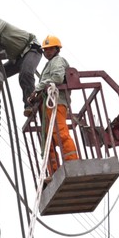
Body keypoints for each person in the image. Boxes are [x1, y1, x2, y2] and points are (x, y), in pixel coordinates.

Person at [35, 34, 79, 176]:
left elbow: (57, 78)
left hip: (57, 102)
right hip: (49, 105)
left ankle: (72, 162)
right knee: (49, 139)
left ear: (56, 49)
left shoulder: (58, 61)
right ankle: (53, 171)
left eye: (50, 49)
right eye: (45, 50)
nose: (47, 52)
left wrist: (38, 88)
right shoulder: (49, 64)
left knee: (60, 133)